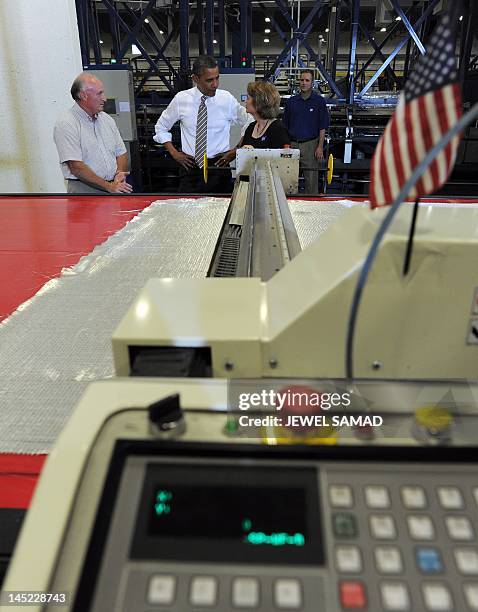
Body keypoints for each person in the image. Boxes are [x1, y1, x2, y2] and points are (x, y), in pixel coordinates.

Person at [154, 55, 249, 193]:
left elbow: (249, 122)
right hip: (190, 168)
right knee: (189, 211)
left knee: (221, 212)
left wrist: (236, 150)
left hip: (219, 167)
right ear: (195, 79)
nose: (215, 84)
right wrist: (175, 154)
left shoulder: (226, 99)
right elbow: (161, 128)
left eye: (217, 78)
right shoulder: (181, 99)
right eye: (209, 80)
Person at [53, 73, 132, 195]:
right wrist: (109, 186)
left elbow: (121, 152)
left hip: (113, 187)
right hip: (84, 191)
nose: (105, 99)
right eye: (99, 93)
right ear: (83, 95)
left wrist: (119, 173)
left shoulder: (107, 120)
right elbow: (75, 166)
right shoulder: (67, 123)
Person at [282, 69, 329, 194]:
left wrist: (320, 147)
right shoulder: (291, 102)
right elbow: (284, 126)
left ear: (312, 83)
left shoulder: (319, 102)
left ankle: (312, 207)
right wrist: (286, 145)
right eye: (302, 80)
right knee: (289, 180)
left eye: (307, 80)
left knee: (311, 181)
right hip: (292, 145)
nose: (304, 83)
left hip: (311, 146)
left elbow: (322, 126)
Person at [240, 81, 290, 149]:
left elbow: (284, 158)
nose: (246, 101)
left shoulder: (278, 129)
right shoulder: (250, 128)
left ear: (258, 102)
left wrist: (254, 153)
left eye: (248, 98)